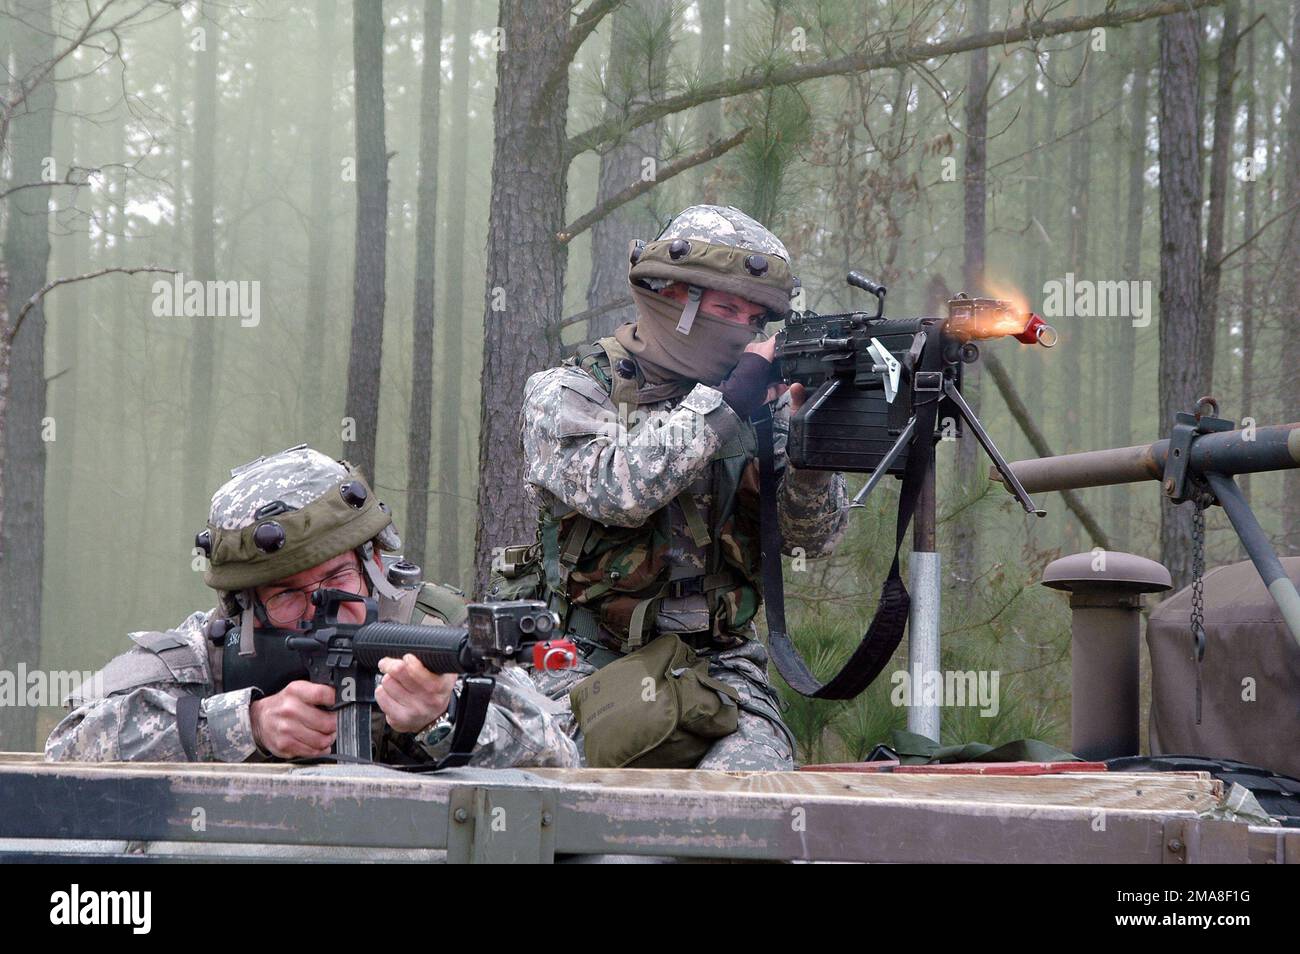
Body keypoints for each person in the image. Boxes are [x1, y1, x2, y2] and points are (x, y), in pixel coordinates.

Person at [515, 204, 849, 770]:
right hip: (575, 659)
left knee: (749, 795)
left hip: (719, 666)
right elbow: (618, 492)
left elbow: (809, 542)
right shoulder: (569, 392)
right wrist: (723, 406)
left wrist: (808, 454)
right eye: (725, 308)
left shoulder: (759, 401)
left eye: (754, 318)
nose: (742, 330)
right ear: (671, 296)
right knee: (558, 788)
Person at [46, 445, 578, 768]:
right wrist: (245, 724)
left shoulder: (438, 632)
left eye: (336, 578)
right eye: (287, 596)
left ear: (371, 561)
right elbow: (68, 745)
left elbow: (562, 756)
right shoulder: (209, 651)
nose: (322, 607)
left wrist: (445, 717)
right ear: (244, 608)